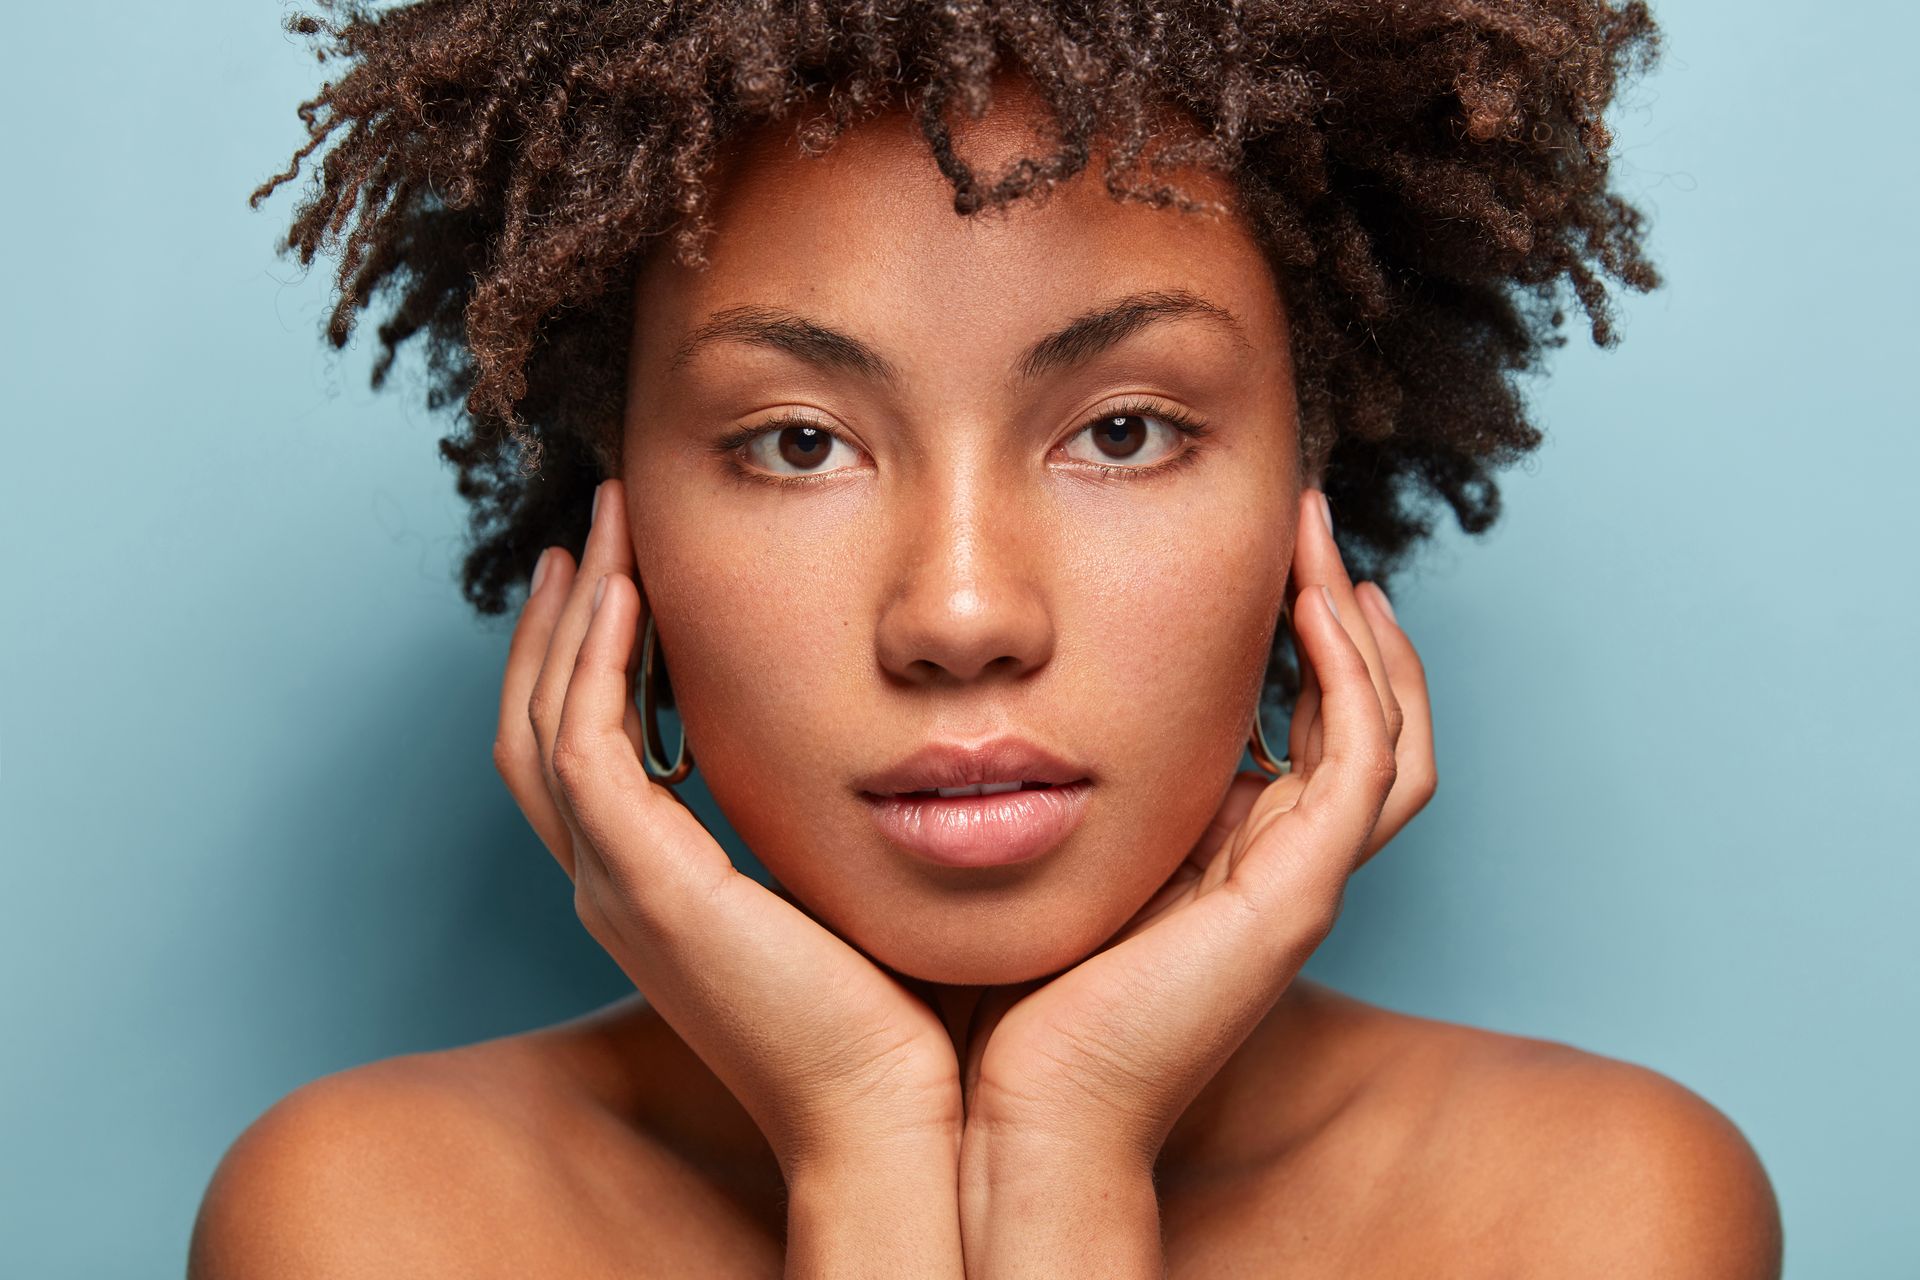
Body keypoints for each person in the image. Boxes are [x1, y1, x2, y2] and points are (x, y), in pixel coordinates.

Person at [191, 1, 1782, 1274]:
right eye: (799, 442)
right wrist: (867, 1141)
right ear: (622, 535)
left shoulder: (1595, 1219)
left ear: (1310, 487)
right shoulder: (369, 1225)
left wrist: (1066, 1148)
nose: (962, 615)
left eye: (1130, 430)